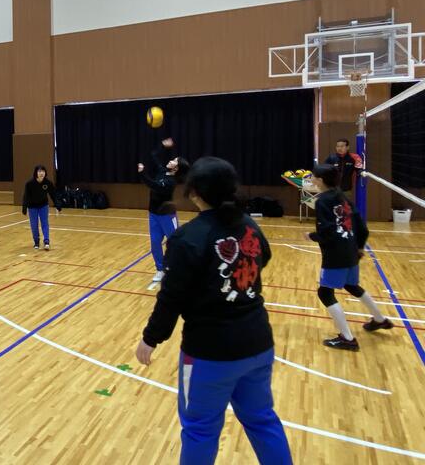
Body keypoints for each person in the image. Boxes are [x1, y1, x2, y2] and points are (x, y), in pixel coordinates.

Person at [135, 157, 292, 465]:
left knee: (200, 430)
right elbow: (264, 256)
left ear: (194, 192)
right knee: (262, 420)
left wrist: (151, 338)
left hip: (209, 352)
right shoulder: (248, 225)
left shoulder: (188, 238)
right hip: (258, 342)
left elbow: (171, 298)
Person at [308, 164, 394, 350]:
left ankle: (347, 338)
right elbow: (362, 228)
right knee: (351, 286)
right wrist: (360, 247)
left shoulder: (322, 201)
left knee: (325, 293)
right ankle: (380, 319)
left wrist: (311, 236)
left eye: (313, 176)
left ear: (320, 180)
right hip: (351, 250)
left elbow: (327, 233)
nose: (311, 179)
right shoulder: (343, 197)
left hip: (336, 254)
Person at [137, 137, 190, 284]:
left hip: (167, 216)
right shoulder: (162, 171)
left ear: (176, 169)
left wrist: (142, 173)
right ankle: (160, 269)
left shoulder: (171, 182)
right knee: (155, 243)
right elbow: (153, 156)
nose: (171, 160)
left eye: (174, 161)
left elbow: (153, 185)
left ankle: (180, 268)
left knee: (175, 243)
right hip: (153, 214)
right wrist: (162, 145)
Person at [21, 165, 61, 250]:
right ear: (36, 173)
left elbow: (53, 194)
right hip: (32, 207)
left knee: (45, 223)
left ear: (45, 173)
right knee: (34, 225)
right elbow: (26, 196)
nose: (41, 173)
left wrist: (57, 204)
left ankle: (46, 241)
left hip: (43, 205)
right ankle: (36, 241)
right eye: (39, 171)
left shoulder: (48, 183)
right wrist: (24, 207)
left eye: (43, 171)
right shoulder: (29, 184)